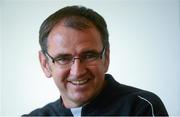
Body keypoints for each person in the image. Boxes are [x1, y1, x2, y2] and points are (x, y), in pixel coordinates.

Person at [24, 5, 168, 116]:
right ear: (45, 64)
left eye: (89, 55)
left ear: (106, 57)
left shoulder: (141, 107)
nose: (77, 71)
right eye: (63, 58)